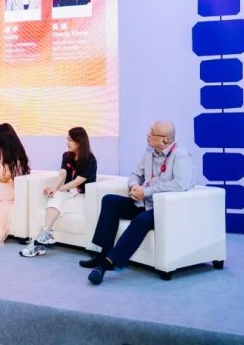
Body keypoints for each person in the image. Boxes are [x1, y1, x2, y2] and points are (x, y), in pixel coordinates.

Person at [82, 120, 194, 285]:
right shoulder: (149, 152)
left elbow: (180, 184)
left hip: (163, 208)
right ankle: (102, 254)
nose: (148, 134)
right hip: (143, 203)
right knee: (110, 201)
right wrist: (134, 186)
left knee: (142, 219)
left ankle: (107, 263)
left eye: (152, 132)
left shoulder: (181, 155)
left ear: (165, 140)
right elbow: (136, 174)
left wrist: (146, 192)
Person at [20, 127, 97, 257]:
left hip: (82, 196)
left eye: (70, 140)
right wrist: (53, 189)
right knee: (55, 197)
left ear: (79, 142)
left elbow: (77, 182)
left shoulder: (90, 160)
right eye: (67, 139)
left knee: (57, 201)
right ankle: (45, 235)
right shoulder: (67, 155)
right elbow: (62, 174)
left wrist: (58, 189)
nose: (67, 142)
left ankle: (39, 243)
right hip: (69, 193)